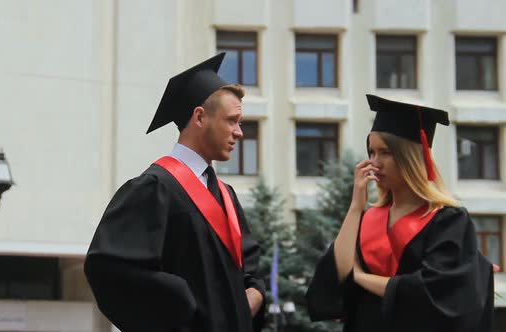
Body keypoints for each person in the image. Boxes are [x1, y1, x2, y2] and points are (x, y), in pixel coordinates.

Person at [84, 53, 265, 332]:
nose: (239, 132)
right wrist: (186, 302)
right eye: (232, 120)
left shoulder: (226, 195)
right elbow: (109, 268)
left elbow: (250, 266)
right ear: (200, 117)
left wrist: (254, 293)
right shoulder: (155, 188)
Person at [304, 94, 494, 331]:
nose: (375, 162)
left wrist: (362, 278)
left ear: (410, 158)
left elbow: (434, 292)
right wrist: (355, 207)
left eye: (385, 152)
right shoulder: (367, 219)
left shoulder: (447, 220)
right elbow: (337, 276)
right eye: (371, 152)